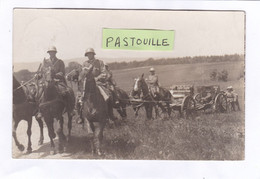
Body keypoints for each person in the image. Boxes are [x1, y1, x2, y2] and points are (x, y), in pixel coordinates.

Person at [36, 46, 75, 117]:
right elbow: (42, 73)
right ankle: (39, 110)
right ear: (49, 53)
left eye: (53, 52)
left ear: (55, 53)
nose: (52, 53)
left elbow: (62, 73)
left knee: (67, 91)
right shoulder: (45, 62)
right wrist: (38, 76)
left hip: (58, 81)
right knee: (39, 93)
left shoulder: (60, 62)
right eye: (50, 52)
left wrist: (54, 75)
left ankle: (70, 109)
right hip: (47, 82)